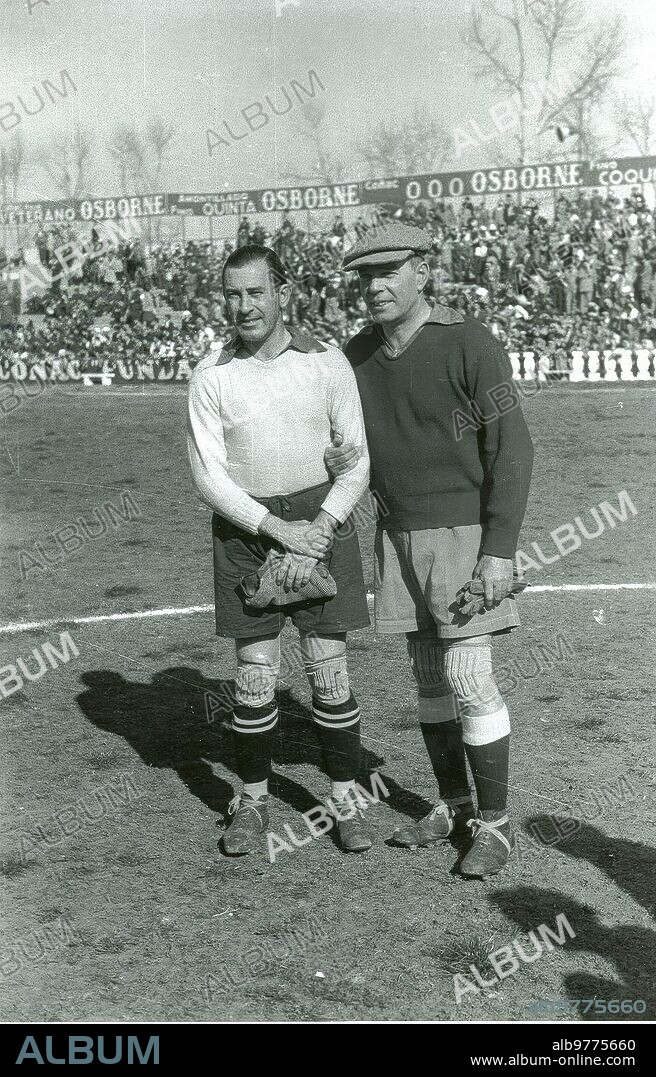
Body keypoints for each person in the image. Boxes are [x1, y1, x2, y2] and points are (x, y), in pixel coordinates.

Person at [325, 223, 534, 878]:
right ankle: (452, 805)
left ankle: (495, 828)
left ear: (423, 270)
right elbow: (350, 448)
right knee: (427, 681)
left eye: (389, 271)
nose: (375, 286)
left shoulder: (469, 342)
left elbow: (513, 448)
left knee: (470, 676)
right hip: (397, 534)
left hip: (463, 537)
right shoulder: (354, 354)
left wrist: (498, 551)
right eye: (364, 276)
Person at [187, 244, 372, 856]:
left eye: (255, 292)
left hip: (321, 521)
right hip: (248, 529)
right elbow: (209, 478)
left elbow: (357, 459)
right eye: (232, 294)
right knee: (256, 673)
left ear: (281, 292)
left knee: (327, 666)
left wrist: (319, 524)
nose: (243, 306)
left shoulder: (326, 362)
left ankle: (345, 799)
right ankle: (253, 800)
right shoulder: (211, 372)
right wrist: (275, 528)